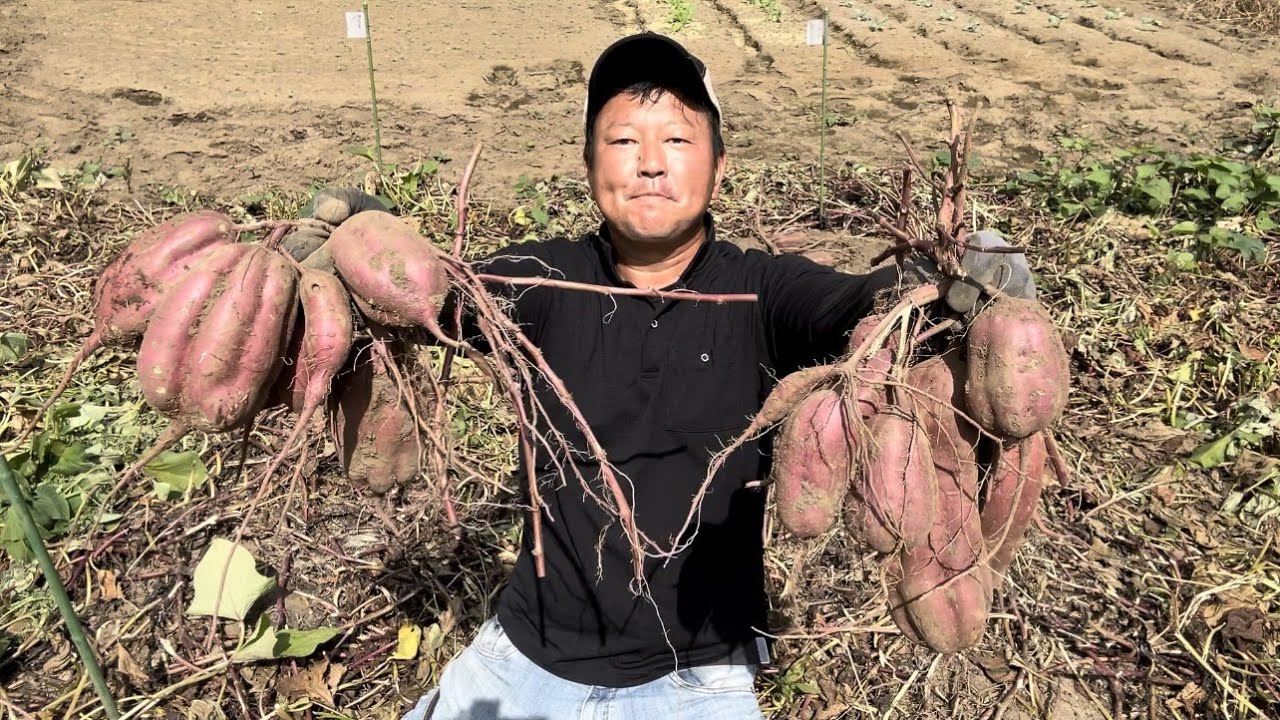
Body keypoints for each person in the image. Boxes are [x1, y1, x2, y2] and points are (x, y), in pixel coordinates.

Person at [295, 31, 1033, 720]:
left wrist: (934, 292)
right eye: (622, 140)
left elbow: (854, 305)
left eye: (677, 139)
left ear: (719, 163)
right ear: (589, 166)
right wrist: (370, 258)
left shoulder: (761, 293)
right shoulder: (546, 280)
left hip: (698, 674)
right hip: (523, 652)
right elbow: (441, 300)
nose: (650, 162)